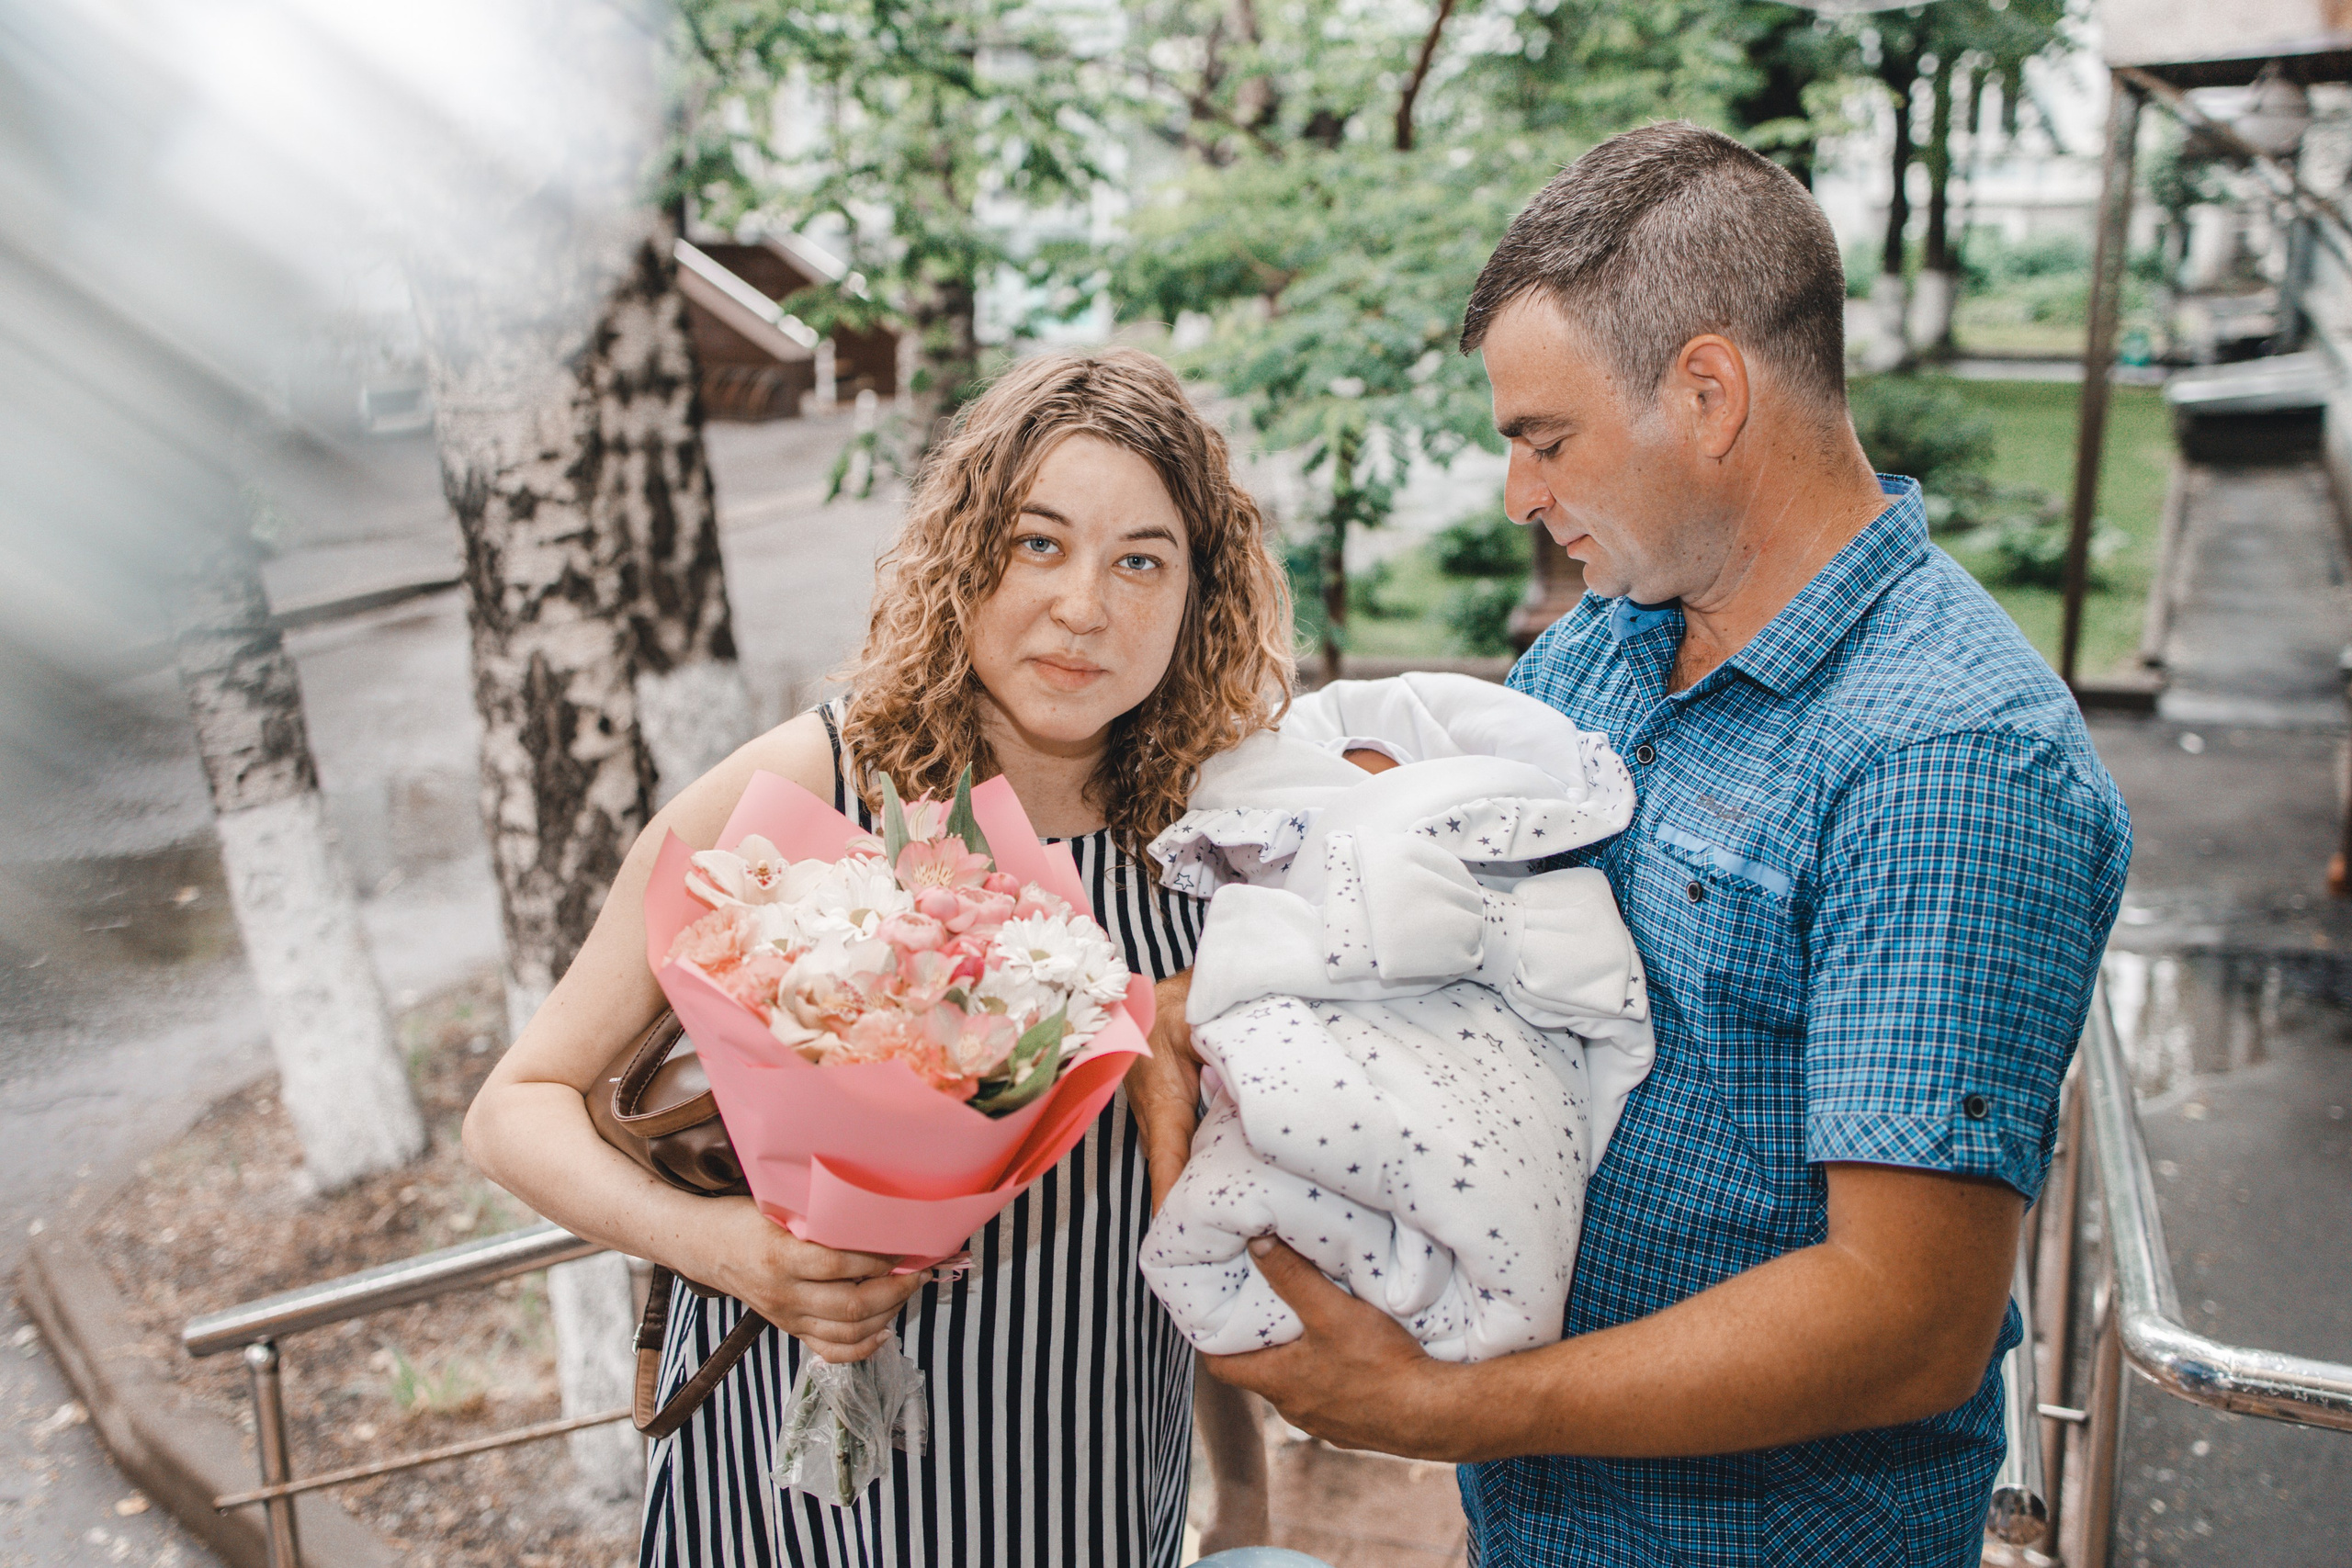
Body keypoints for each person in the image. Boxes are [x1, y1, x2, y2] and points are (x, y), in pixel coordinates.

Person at [1196, 123, 2132, 1567]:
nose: (1520, 495)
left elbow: (1907, 1321)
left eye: (1545, 440)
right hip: (1543, 1510)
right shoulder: (1609, 647)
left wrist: (1462, 1408)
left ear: (1707, 392)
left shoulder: (1948, 757)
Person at [463, 347, 1290, 1566]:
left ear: (1197, 595)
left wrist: (1248, 1505)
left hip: (1088, 1494)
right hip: (787, 1509)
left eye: (1141, 562)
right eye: (1038, 543)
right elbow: (512, 1110)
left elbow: (1200, 1208)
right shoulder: (805, 789)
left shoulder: (1205, 849)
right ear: (963, 557)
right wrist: (724, 1252)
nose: (1084, 608)